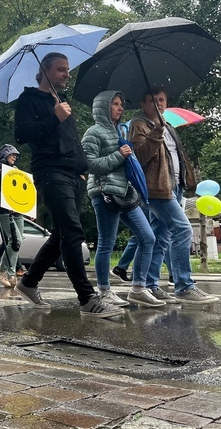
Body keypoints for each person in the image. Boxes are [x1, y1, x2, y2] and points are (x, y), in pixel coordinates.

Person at [13, 52, 122, 318]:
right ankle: (87, 299)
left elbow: (72, 139)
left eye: (67, 69)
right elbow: (22, 134)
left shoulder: (62, 101)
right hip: (50, 171)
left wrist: (83, 170)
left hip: (74, 174)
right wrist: (54, 118)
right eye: (61, 70)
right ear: (45, 70)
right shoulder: (29, 99)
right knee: (73, 232)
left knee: (62, 234)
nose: (67, 75)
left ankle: (28, 282)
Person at [129, 87, 218, 304]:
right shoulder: (139, 124)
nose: (158, 104)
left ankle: (150, 285)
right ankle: (184, 286)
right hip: (156, 188)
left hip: (173, 187)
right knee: (183, 229)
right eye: (152, 100)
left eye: (161, 100)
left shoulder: (168, 126)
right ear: (143, 104)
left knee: (161, 237)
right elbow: (139, 157)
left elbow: (177, 157)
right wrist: (155, 133)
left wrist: (186, 180)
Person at [81, 91, 163, 307]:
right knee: (106, 243)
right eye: (115, 104)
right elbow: (89, 165)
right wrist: (120, 154)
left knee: (148, 237)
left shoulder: (120, 131)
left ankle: (138, 288)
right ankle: (104, 291)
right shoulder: (93, 132)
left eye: (121, 104)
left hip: (125, 192)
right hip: (104, 193)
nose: (120, 108)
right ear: (102, 107)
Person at [0, 144, 24, 289]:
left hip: (18, 211)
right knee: (15, 240)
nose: (15, 157)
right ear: (5, 155)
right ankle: (3, 271)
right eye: (12, 154)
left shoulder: (16, 171)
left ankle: (10, 272)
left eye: (16, 155)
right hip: (4, 211)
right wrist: (9, 205)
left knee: (17, 242)